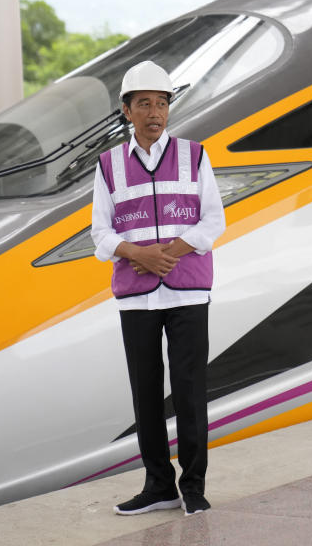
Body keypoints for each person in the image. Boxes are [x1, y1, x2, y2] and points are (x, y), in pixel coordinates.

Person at [91, 60, 226, 517]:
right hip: (137, 295)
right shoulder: (108, 166)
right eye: (144, 103)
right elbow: (100, 234)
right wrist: (137, 254)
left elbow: (214, 220)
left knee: (189, 391)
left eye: (162, 103)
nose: (155, 112)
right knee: (145, 393)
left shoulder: (195, 155)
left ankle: (193, 486)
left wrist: (172, 249)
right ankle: (158, 486)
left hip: (188, 291)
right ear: (126, 111)